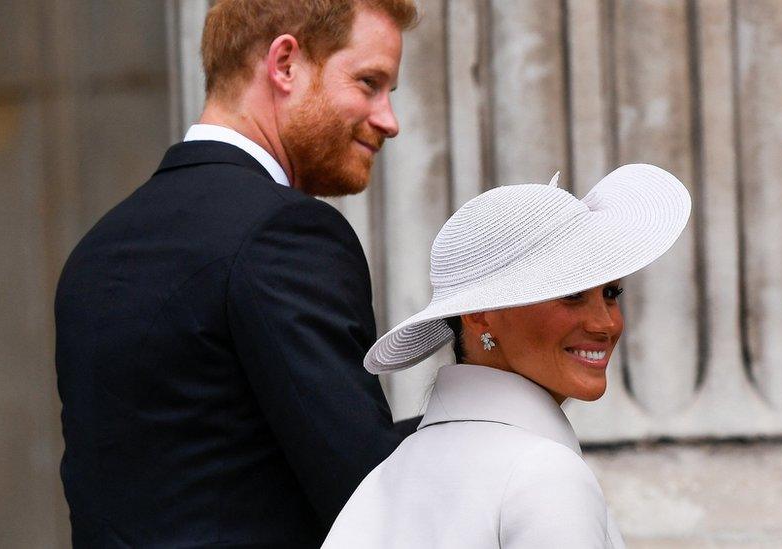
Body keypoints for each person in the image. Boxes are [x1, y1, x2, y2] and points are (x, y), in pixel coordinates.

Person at [54, 0, 418, 546]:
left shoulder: (96, 250)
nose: (389, 120)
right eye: (369, 83)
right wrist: (492, 404)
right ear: (286, 64)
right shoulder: (286, 231)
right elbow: (367, 497)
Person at [321, 164, 691, 548]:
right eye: (571, 293)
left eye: (611, 294)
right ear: (480, 314)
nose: (605, 324)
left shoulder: (391, 473)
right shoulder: (543, 472)